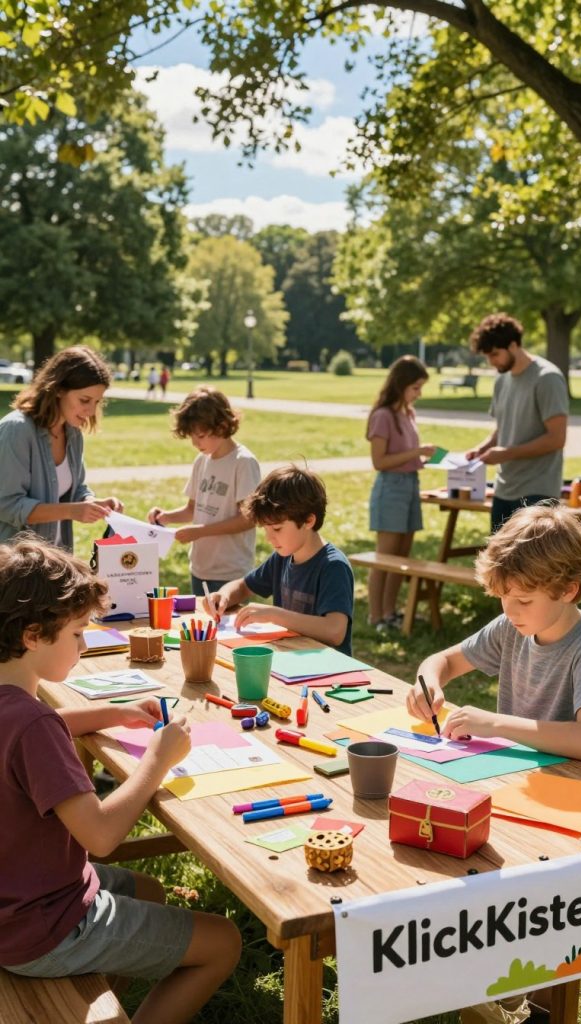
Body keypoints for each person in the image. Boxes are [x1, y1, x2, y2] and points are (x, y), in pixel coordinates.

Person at [0, 538, 241, 1023]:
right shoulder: (34, 725)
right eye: (76, 634)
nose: (84, 644)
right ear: (32, 635)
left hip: (17, 900)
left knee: (147, 890)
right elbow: (103, 836)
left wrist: (115, 712)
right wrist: (157, 758)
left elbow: (29, 738)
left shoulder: (18, 710)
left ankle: (97, 997)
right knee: (224, 941)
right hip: (43, 925)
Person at [407, 503, 581, 759]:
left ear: (569, 590)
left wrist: (496, 725)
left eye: (524, 601)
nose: (511, 612)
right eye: (503, 597)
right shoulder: (509, 628)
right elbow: (443, 661)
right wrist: (428, 683)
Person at [203, 465, 355, 655]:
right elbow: (243, 586)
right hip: (292, 660)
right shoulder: (282, 558)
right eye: (265, 529)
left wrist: (274, 615)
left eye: (276, 529)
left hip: (329, 674)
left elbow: (334, 631)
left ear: (308, 521)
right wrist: (224, 596)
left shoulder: (333, 566)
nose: (269, 538)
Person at [0, 346, 123, 551]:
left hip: (56, 559)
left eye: (97, 402)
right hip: (16, 567)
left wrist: (92, 502)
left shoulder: (72, 432)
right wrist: (71, 511)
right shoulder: (17, 430)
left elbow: (75, 489)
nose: (91, 410)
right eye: (84, 400)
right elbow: (7, 504)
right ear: (58, 389)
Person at [147, 387, 261, 597]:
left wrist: (199, 532)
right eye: (191, 436)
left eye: (200, 435)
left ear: (223, 425)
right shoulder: (202, 460)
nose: (195, 443)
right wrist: (166, 517)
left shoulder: (243, 463)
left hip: (230, 572)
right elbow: (192, 509)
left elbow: (248, 519)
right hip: (199, 568)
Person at [465, 313, 569, 532]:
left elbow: (556, 439)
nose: (492, 362)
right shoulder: (501, 379)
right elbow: (503, 427)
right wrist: (482, 448)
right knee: (499, 564)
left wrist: (506, 453)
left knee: (534, 566)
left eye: (495, 354)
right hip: (504, 488)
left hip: (537, 492)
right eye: (487, 357)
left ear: (513, 345)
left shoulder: (547, 378)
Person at [366, 355, 436, 633]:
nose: (419, 393)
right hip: (391, 489)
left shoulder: (408, 413)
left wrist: (428, 459)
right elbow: (380, 461)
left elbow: (405, 457)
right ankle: (375, 616)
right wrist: (417, 452)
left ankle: (390, 611)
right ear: (401, 384)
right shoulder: (383, 416)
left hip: (410, 485)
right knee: (386, 557)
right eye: (416, 387)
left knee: (403, 558)